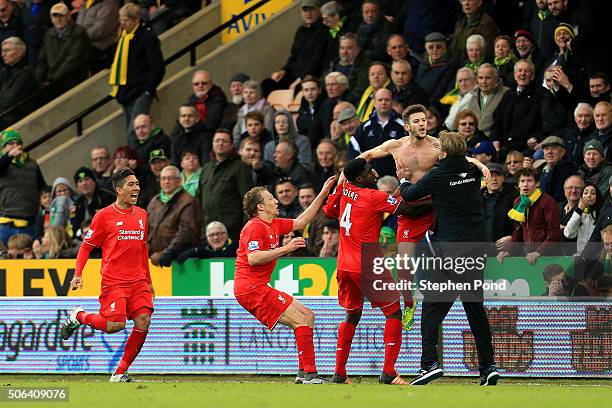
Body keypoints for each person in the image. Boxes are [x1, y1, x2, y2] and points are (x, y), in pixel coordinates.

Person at [398, 131, 498, 386]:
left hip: (452, 253)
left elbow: (409, 196)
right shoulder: (472, 171)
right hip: (476, 250)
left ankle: (429, 363)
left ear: (442, 152)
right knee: (475, 310)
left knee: (431, 307)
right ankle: (488, 367)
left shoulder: (439, 174)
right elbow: (470, 166)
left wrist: (403, 180)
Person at [323, 158, 417, 385]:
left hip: (344, 266)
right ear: (358, 178)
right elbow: (409, 210)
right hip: (367, 264)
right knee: (393, 312)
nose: (372, 173)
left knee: (352, 315)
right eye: (367, 171)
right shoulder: (373, 197)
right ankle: (388, 373)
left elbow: (328, 209)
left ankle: (339, 373)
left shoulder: (345, 190)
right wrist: (438, 199)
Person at [234, 176, 336, 384]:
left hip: (259, 286)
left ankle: (303, 372)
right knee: (300, 320)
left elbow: (302, 221)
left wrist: (323, 193)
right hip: (251, 288)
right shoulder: (254, 227)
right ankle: (310, 374)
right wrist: (286, 248)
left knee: (307, 315)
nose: (276, 201)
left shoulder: (274, 224)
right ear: (261, 207)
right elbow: (253, 258)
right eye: (271, 198)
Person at [61, 168, 154, 383]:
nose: (136, 188)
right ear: (119, 190)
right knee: (115, 326)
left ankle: (120, 372)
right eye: (131, 184)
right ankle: (79, 316)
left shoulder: (142, 215)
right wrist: (78, 274)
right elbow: (86, 247)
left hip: (138, 280)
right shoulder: (103, 216)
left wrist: (149, 282)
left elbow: (143, 250)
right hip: (115, 282)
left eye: (137, 184)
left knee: (144, 320)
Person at [110, 3, 165, 138]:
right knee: (130, 133)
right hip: (126, 90)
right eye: (121, 20)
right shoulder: (122, 37)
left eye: (126, 20)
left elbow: (157, 66)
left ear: (136, 20)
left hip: (140, 90)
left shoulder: (147, 37)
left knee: (135, 132)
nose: (123, 23)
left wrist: (148, 90)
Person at [498, 168, 562, 265]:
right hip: (529, 255)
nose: (525, 184)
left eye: (529, 181)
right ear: (518, 185)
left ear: (537, 183)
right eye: (522, 181)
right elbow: (518, 231)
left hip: (550, 256)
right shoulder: (518, 202)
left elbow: (554, 233)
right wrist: (509, 251)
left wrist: (539, 252)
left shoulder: (548, 202)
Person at [200, 129, 254, 242]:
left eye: (224, 141)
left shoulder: (240, 167)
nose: (220, 143)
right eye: (217, 140)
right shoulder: (206, 169)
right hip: (209, 232)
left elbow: (248, 200)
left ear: (231, 145)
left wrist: (246, 230)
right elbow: (200, 199)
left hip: (232, 231)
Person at [147, 166, 201, 267]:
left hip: (176, 259)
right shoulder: (154, 201)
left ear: (180, 181)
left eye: (170, 178)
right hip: (153, 258)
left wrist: (169, 252)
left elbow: (186, 232)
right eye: (163, 178)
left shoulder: (188, 202)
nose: (166, 182)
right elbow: (146, 228)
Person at [0, 129, 46, 245]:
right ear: (4, 147)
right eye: (11, 143)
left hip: (30, 222)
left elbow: (42, 187)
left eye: (18, 143)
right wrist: (9, 157)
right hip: (6, 224)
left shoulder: (32, 164)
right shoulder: (2, 162)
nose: (16, 146)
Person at [349, 88, 404, 177]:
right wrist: (365, 170)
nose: (383, 102)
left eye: (387, 99)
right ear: (374, 103)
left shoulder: (402, 126)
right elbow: (354, 151)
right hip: (369, 179)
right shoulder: (364, 127)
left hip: (395, 179)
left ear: (392, 102)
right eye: (380, 100)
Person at [36, 2, 90, 93]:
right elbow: (42, 60)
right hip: (53, 80)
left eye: (61, 16)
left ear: (69, 16)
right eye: (55, 16)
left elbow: (72, 61)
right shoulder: (48, 35)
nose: (58, 19)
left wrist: (52, 80)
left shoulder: (79, 33)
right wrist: (38, 79)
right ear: (51, 19)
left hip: (73, 80)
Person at [0, 37, 39, 126]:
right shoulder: (5, 71)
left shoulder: (26, 73)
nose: (3, 54)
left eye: (7, 51)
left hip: (14, 118)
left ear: (19, 53)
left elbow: (10, 100)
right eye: (2, 51)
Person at [465, 63, 509, 138]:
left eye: (488, 78)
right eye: (481, 78)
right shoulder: (472, 94)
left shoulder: (507, 94)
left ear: (496, 78)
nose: (484, 82)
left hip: (495, 140)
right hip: (473, 139)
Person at [416, 32, 458, 109]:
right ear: (426, 48)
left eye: (438, 47)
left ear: (445, 47)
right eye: (431, 47)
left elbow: (442, 90)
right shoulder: (423, 63)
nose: (435, 50)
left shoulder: (452, 65)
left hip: (437, 108)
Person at [76, 0, 119, 72]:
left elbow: (101, 29)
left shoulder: (109, 3)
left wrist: (80, 39)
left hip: (103, 47)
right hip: (86, 44)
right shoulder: (85, 3)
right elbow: (78, 26)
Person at [73, 166, 116, 233]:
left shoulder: (107, 197)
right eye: (80, 181)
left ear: (94, 181)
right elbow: (75, 228)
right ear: (77, 187)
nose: (84, 183)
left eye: (87, 179)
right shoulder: (78, 203)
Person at [186, 70, 228, 139]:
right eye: (196, 84)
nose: (200, 86)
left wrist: (191, 127)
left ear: (211, 84)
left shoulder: (218, 98)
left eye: (204, 83)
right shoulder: (191, 99)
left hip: (212, 135)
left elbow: (211, 123)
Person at [563, 183, 603, 254]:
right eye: (585, 193)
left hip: (598, 256)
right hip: (580, 255)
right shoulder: (577, 213)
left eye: (593, 193)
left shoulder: (602, 212)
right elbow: (568, 233)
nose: (589, 195)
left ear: (597, 197)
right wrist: (579, 210)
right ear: (581, 197)